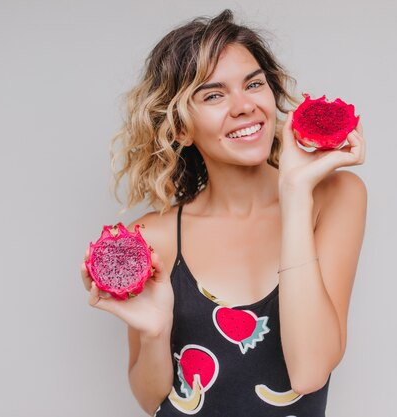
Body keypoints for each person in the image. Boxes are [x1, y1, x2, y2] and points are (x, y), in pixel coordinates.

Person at [80, 9, 367, 417]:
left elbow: (309, 372)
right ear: (180, 129)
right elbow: (151, 401)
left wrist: (295, 192)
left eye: (254, 84)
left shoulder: (335, 197)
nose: (244, 106)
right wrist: (155, 333)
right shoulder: (153, 236)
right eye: (213, 95)